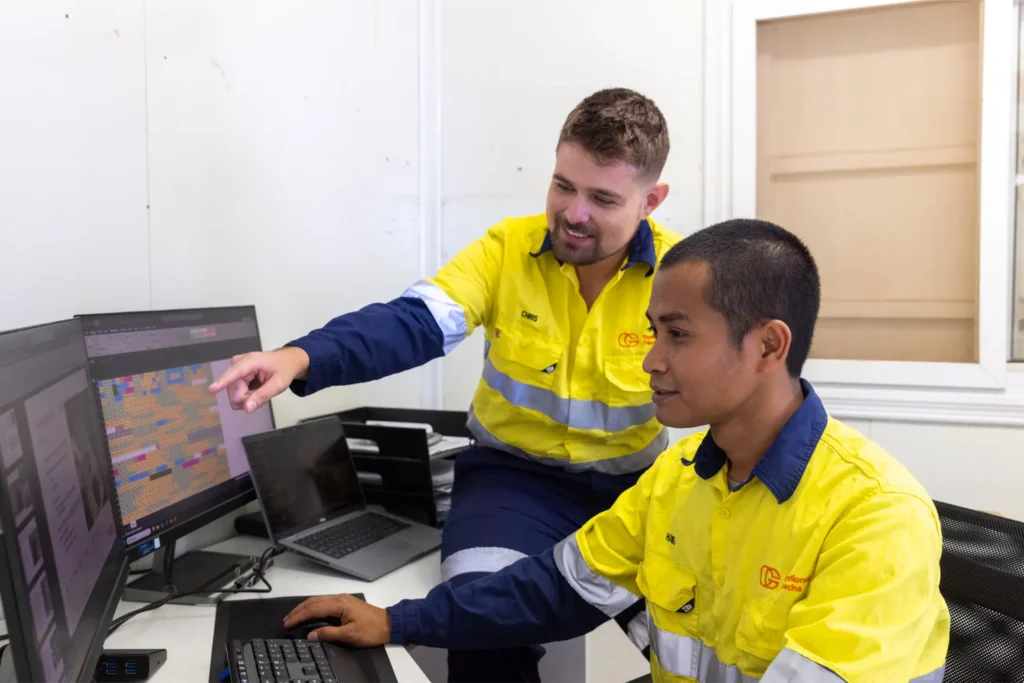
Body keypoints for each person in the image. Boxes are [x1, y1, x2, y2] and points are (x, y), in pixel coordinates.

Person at [278, 219, 951, 683]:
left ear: (769, 345)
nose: (651, 361)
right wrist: (396, 620)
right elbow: (554, 588)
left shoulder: (874, 516)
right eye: (653, 331)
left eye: (678, 335)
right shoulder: (680, 480)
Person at [209, 88, 682, 681]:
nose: (573, 212)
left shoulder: (682, 274)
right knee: (482, 628)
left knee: (679, 632)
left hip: (633, 489)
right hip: (514, 483)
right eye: (564, 185)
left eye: (602, 198)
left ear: (651, 200)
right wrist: (303, 356)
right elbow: (413, 323)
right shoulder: (507, 250)